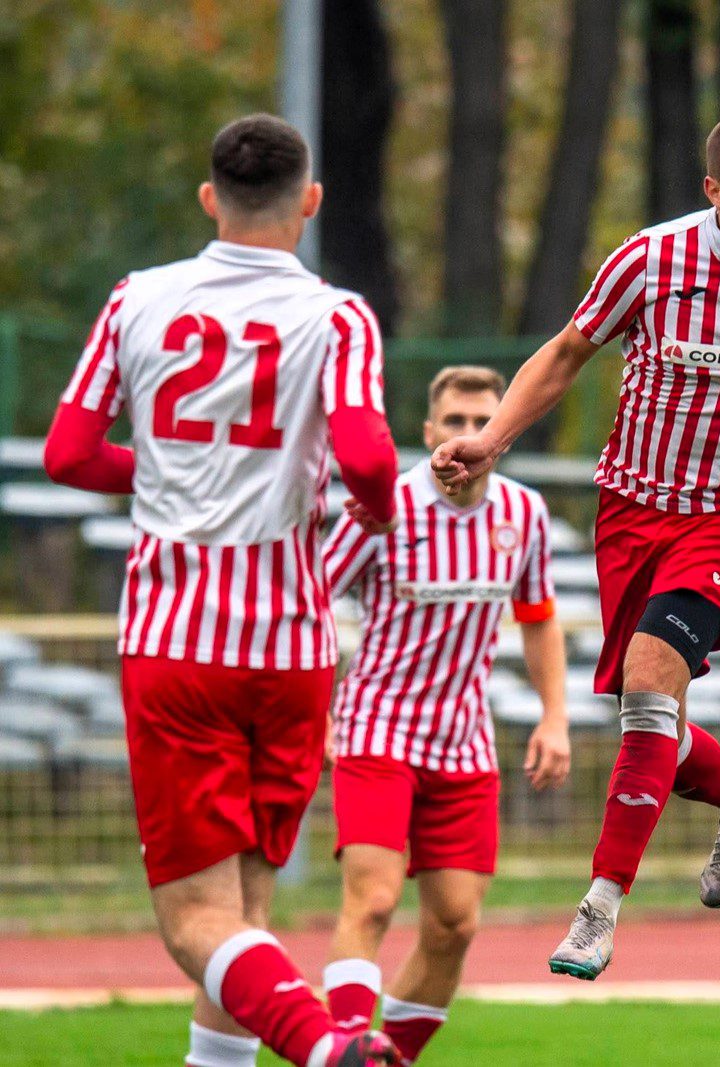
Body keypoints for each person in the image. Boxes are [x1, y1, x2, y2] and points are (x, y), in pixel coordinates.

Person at [429, 112, 720, 980]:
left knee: (647, 684)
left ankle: (600, 907)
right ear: (716, 191)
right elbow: (566, 354)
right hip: (632, 512)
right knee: (654, 723)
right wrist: (491, 438)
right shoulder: (650, 261)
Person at [42, 115, 400, 1066]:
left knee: (193, 919)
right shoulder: (338, 315)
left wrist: (162, 470)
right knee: (246, 905)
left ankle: (327, 1050)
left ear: (210, 198)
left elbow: (68, 453)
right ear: (310, 200)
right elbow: (367, 456)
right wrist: (371, 512)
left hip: (178, 644)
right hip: (291, 652)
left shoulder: (139, 299)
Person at [319, 366, 572, 1062]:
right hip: (376, 728)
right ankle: (343, 1047)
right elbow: (313, 602)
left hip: (464, 743)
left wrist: (555, 716)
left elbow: (539, 618)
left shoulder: (524, 514)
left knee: (455, 924)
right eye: (453, 422)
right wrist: (316, 715)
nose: (466, 435)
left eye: (480, 422)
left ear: (503, 433)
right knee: (371, 902)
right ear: (428, 434)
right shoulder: (386, 505)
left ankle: (388, 1056)